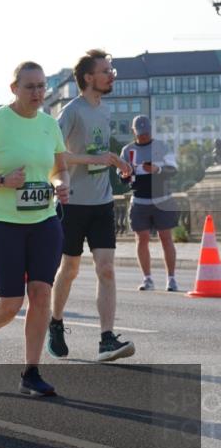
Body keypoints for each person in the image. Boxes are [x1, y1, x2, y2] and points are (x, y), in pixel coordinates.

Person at [0, 61, 70, 396]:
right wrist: (2, 180)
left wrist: (61, 184)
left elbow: (59, 169)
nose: (37, 92)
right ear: (14, 89)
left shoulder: (49, 125)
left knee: (41, 294)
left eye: (41, 86)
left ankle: (30, 372)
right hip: (1, 221)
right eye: (30, 86)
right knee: (10, 302)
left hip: (44, 220)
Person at [48, 49, 135, 363]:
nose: (111, 76)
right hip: (72, 203)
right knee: (69, 269)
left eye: (111, 71)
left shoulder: (105, 110)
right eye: (105, 71)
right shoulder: (71, 112)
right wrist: (92, 159)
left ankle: (106, 339)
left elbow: (99, 152)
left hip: (102, 202)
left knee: (106, 269)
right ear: (88, 77)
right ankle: (55, 322)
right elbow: (54, 154)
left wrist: (117, 162)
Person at [120, 115, 180, 292]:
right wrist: (126, 174)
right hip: (139, 201)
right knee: (141, 239)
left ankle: (171, 279)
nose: (143, 136)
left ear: (151, 130)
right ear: (133, 132)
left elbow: (173, 170)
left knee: (166, 238)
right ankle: (147, 279)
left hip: (163, 200)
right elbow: (122, 179)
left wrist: (157, 169)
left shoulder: (162, 146)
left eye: (146, 132)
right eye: (140, 133)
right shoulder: (127, 150)